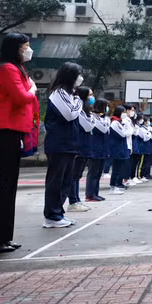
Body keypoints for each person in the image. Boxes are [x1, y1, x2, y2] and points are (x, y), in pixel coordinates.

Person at [0, 33, 37, 254]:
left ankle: (3, 236)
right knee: (3, 185)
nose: (28, 50)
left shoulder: (16, 68)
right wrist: (32, 90)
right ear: (15, 49)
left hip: (13, 132)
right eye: (25, 47)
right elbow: (21, 97)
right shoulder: (7, 69)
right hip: (4, 131)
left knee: (9, 186)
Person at [42, 62, 85, 228]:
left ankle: (58, 214)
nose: (80, 78)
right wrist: (79, 101)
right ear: (70, 76)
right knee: (56, 182)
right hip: (59, 144)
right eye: (78, 75)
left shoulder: (70, 95)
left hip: (69, 144)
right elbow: (70, 114)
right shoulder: (59, 93)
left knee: (65, 182)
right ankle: (51, 216)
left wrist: (76, 100)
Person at [66, 86, 95, 213]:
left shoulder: (85, 112)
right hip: (78, 147)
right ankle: (72, 201)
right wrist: (93, 119)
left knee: (77, 175)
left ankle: (77, 200)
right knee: (73, 176)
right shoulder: (79, 111)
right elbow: (88, 126)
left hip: (85, 147)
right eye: (90, 95)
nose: (92, 98)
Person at [84, 99, 109, 202]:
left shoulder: (101, 118)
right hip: (94, 148)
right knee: (93, 172)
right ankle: (89, 194)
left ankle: (95, 193)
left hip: (102, 148)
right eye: (106, 106)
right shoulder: (93, 116)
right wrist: (106, 121)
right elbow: (104, 129)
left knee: (98, 172)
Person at [106, 105, 130, 195]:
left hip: (120, 147)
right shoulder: (114, 123)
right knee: (116, 168)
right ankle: (113, 186)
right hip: (116, 148)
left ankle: (115, 186)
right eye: (123, 112)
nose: (124, 114)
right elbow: (123, 134)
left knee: (118, 168)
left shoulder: (119, 122)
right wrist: (128, 131)